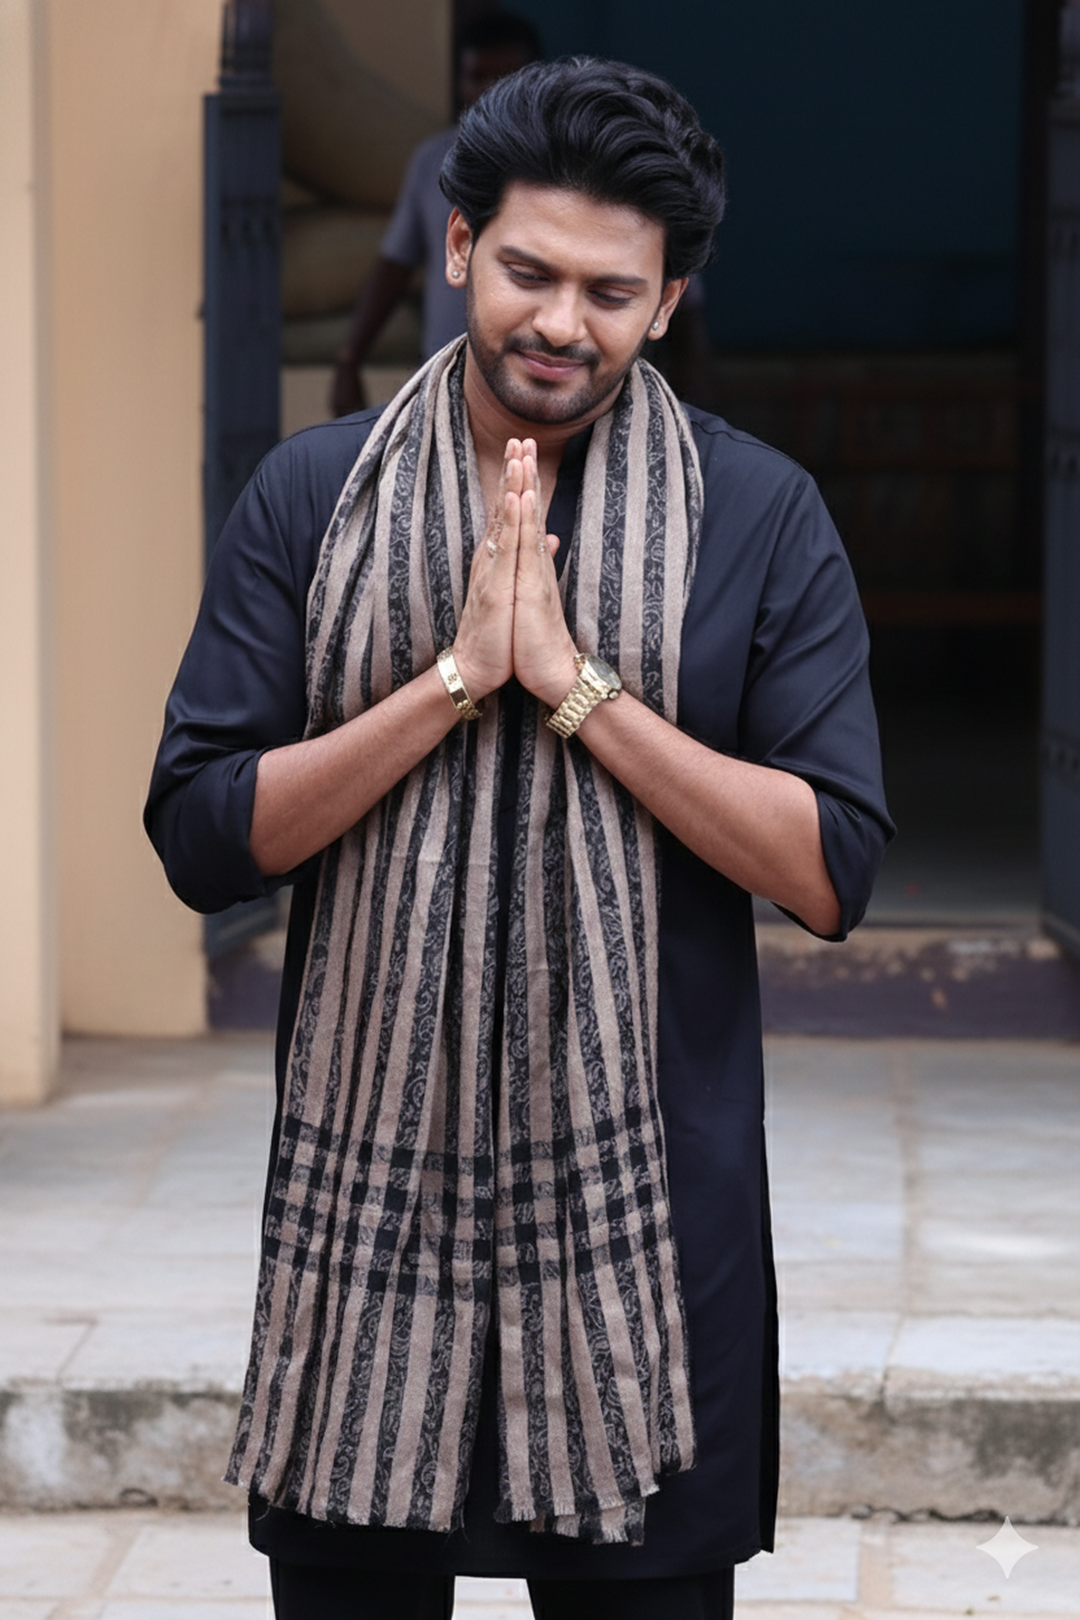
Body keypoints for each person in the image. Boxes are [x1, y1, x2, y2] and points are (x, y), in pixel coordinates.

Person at [146, 57, 893, 1620]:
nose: (562, 323)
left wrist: (573, 687)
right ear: (460, 245)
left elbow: (830, 868)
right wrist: (448, 684)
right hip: (369, 1242)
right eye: (530, 272)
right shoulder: (312, 497)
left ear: (669, 303)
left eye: (611, 293)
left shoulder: (759, 518)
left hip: (645, 1246)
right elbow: (207, 835)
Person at [330, 12, 543, 418]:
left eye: (504, 77)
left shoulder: (564, 168)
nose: (488, 90)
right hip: (447, 385)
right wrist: (350, 357)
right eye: (477, 76)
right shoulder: (434, 161)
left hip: (538, 380)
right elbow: (394, 264)